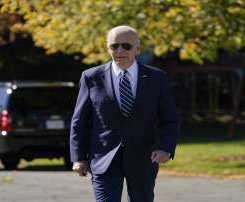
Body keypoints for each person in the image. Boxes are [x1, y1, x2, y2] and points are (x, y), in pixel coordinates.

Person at [70, 25, 179, 202]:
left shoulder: (157, 78)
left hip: (143, 159)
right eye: (114, 46)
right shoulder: (91, 77)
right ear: (108, 49)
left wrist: (165, 148)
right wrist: (78, 158)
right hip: (103, 159)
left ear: (137, 48)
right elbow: (79, 121)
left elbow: (170, 119)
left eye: (126, 46)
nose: (120, 50)